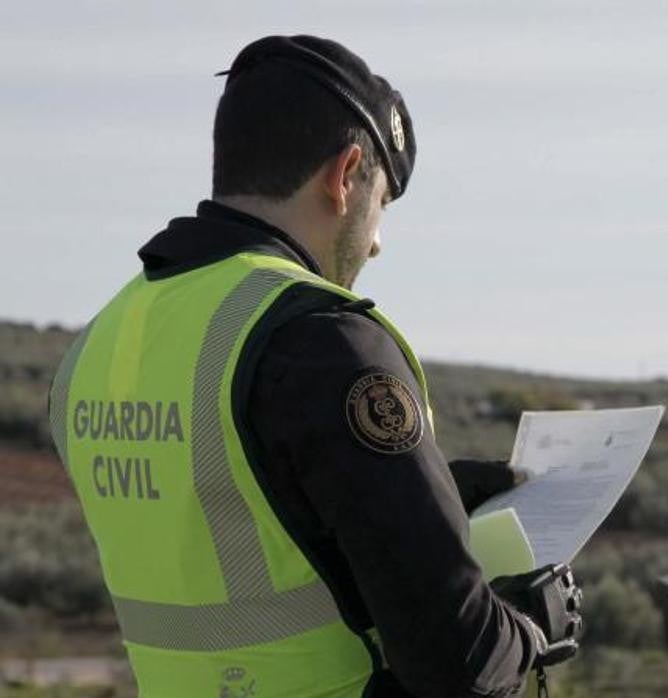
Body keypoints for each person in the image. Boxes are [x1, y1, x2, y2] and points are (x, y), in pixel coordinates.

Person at [47, 35, 582, 697]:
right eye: (380, 203)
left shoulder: (99, 345)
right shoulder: (321, 340)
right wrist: (529, 626)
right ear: (345, 173)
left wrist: (416, 488)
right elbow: (458, 663)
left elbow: (231, 512)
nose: (377, 241)